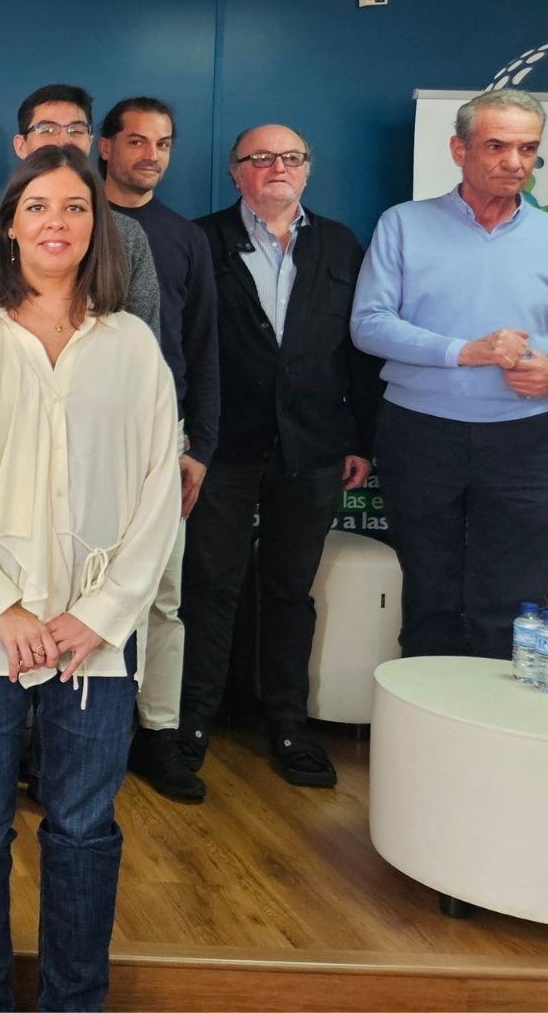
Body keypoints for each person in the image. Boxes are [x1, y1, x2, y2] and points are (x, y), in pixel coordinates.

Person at [0, 145, 178, 1012]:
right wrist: (2, 610)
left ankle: (74, 1000)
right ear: (8, 226)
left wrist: (100, 615)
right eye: (38, 208)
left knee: (84, 829)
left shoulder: (132, 345)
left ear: (97, 228)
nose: (55, 223)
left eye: (74, 208)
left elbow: (156, 494)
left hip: (91, 643)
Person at [352, 88, 548, 662]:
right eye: (496, 146)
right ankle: (427, 738)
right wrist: (464, 352)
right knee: (430, 594)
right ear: (458, 150)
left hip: (525, 441)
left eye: (527, 148)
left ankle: (500, 743)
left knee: (514, 601)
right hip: (421, 434)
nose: (514, 162)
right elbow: (368, 325)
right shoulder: (404, 225)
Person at [185, 124, 384, 790]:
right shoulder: (199, 240)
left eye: (291, 157)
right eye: (260, 158)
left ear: (308, 169)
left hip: (315, 444)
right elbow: (180, 348)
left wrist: (361, 437)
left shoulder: (339, 243)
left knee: (290, 590)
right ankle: (192, 722)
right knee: (209, 584)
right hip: (222, 446)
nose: (277, 167)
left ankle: (289, 723)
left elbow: (359, 346)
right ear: (235, 172)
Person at [95, 96, 220, 802]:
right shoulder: (70, 223)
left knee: (164, 596)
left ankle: (160, 732)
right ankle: (82, 731)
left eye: (164, 143)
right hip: (81, 436)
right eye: (136, 141)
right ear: (105, 148)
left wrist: (198, 445)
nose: (151, 155)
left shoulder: (183, 239)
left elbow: (202, 350)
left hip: (160, 437)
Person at [0, 83, 159, 337]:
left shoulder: (128, 235)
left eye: (76, 130)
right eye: (46, 129)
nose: (62, 141)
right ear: (21, 145)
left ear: (90, 142)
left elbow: (143, 342)